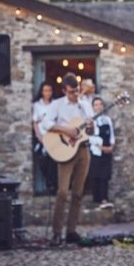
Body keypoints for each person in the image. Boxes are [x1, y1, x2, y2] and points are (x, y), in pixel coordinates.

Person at [40, 73, 93, 247]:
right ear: (64, 91)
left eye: (77, 91)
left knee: (78, 193)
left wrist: (91, 126)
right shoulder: (57, 105)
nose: (75, 95)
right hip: (65, 150)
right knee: (63, 192)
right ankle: (56, 232)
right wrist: (66, 130)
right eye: (71, 92)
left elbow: (92, 131)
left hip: (83, 149)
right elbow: (45, 124)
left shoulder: (85, 106)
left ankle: (71, 231)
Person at [88, 96, 115, 208]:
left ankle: (104, 198)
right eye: (96, 105)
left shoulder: (107, 119)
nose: (98, 106)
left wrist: (111, 146)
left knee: (105, 175)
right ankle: (97, 199)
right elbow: (90, 136)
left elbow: (111, 133)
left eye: (100, 104)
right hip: (97, 150)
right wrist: (101, 147)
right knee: (96, 175)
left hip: (107, 149)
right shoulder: (91, 120)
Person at [32, 81, 56, 193]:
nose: (48, 93)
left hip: (54, 137)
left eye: (50, 90)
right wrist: (39, 136)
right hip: (42, 137)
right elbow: (35, 122)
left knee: (54, 162)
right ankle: (48, 184)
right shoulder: (37, 105)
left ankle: (53, 186)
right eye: (45, 90)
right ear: (42, 92)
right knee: (43, 161)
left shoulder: (55, 104)